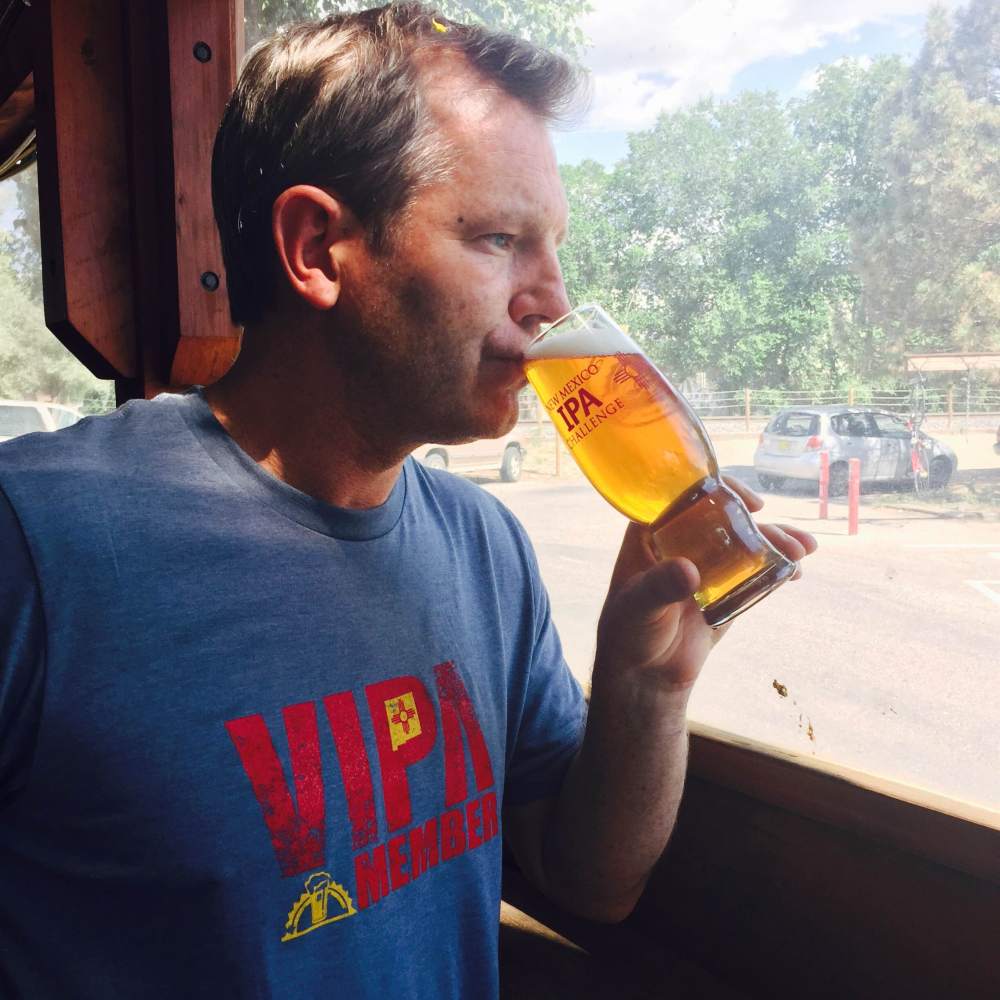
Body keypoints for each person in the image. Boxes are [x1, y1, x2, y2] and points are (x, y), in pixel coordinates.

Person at [0, 3, 816, 996]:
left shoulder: (486, 546)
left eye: (552, 247)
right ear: (314, 247)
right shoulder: (36, 544)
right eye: (500, 239)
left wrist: (648, 689)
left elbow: (591, 881)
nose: (553, 304)